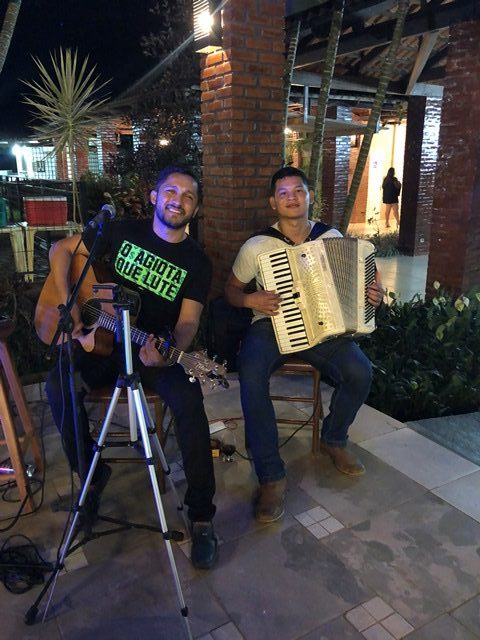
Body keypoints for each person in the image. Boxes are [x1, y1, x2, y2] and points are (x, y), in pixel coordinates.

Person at [44, 166, 218, 570]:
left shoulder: (197, 261)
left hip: (150, 348)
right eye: (170, 191)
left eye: (188, 196)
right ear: (155, 197)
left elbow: (188, 322)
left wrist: (170, 350)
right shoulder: (121, 231)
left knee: (190, 403)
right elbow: (60, 251)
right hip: (102, 343)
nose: (178, 200)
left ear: (195, 209)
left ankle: (201, 516)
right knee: (58, 385)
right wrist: (71, 303)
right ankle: (91, 477)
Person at [224, 166, 384, 524]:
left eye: (298, 190)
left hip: (324, 328)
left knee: (360, 371)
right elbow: (231, 290)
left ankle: (334, 438)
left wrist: (373, 293)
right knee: (251, 375)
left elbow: (359, 289)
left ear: (310, 196)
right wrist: (250, 300)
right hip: (270, 326)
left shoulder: (332, 237)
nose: (292, 198)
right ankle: (271, 475)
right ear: (273, 202)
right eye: (283, 193)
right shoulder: (257, 245)